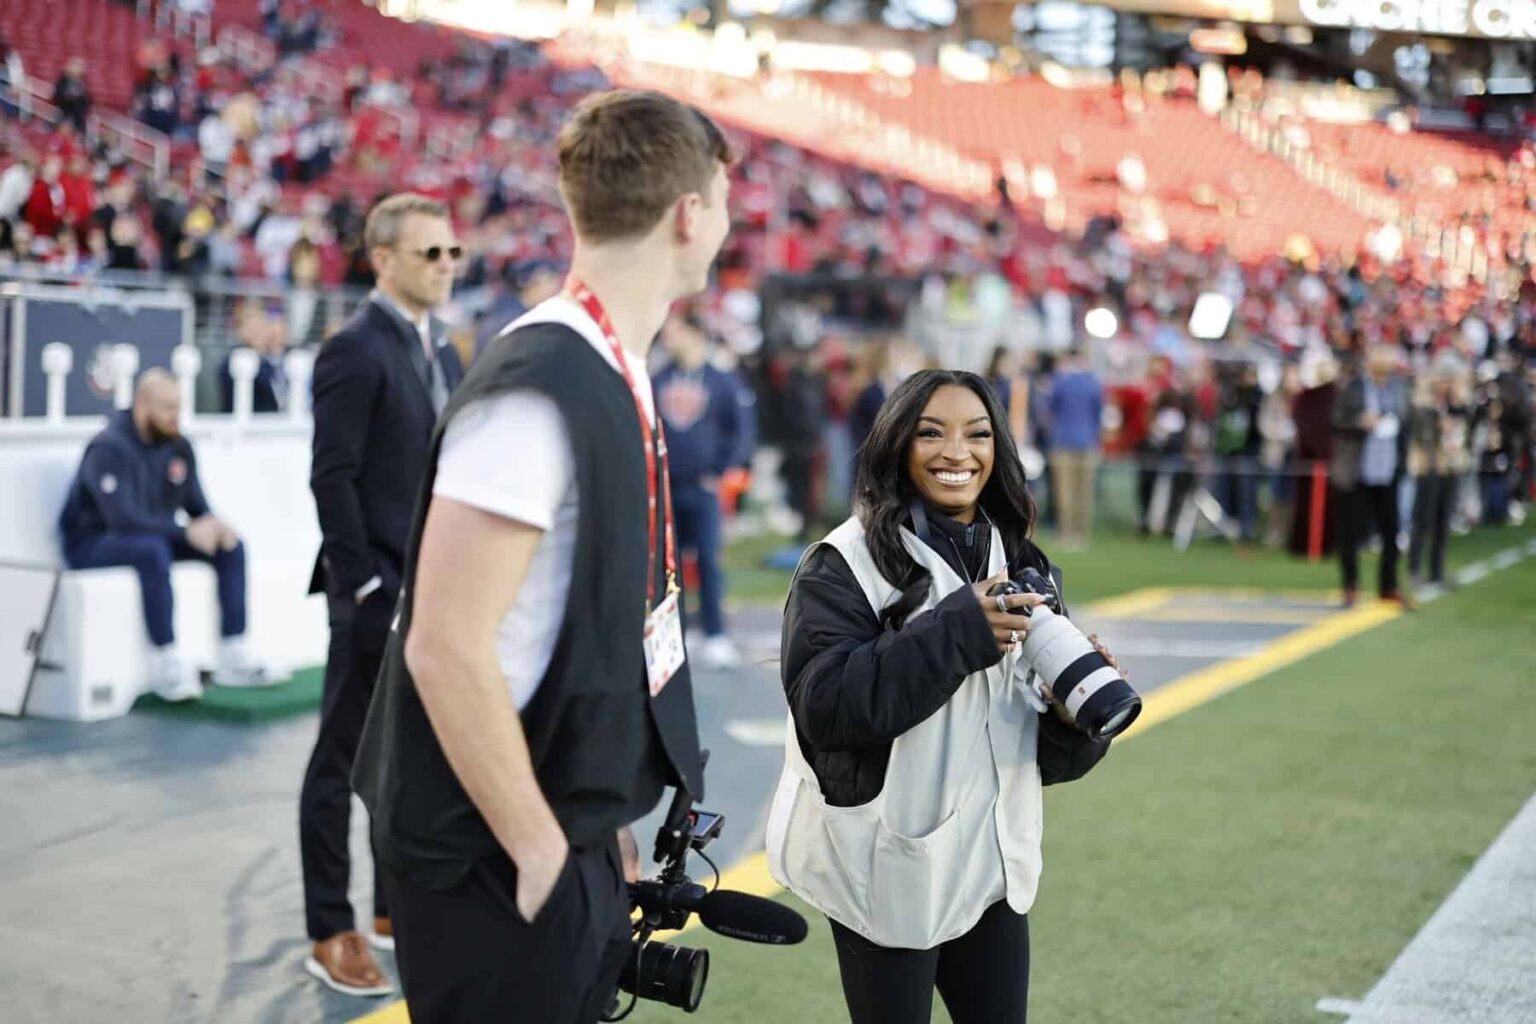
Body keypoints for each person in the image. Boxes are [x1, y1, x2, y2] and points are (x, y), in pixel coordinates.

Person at [352, 90, 728, 1022]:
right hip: (491, 850)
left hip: (555, 822)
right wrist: (540, 852)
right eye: (724, 203)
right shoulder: (538, 384)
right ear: (690, 213)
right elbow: (443, 644)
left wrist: (597, 824)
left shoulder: (606, 361)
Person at [767, 369, 1118, 1024]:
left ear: (999, 449)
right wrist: (955, 631)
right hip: (890, 864)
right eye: (932, 433)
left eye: (977, 434)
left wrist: (1072, 722)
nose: (957, 452)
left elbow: (1037, 756)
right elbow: (828, 709)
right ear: (897, 443)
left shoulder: (1021, 559)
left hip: (990, 864)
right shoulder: (844, 561)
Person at [300, 192, 466, 997]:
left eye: (451, 253)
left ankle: (393, 906)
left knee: (406, 760)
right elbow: (332, 477)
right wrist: (365, 583)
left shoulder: (445, 352)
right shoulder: (354, 349)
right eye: (429, 253)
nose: (444, 266)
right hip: (374, 594)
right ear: (384, 259)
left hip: (432, 593)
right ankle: (332, 927)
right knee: (342, 760)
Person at [58, 369, 270, 701]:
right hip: (93, 543)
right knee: (152, 551)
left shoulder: (178, 446)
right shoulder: (108, 447)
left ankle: (234, 653)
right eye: (168, 408)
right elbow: (122, 519)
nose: (176, 416)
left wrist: (216, 527)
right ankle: (165, 662)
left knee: (231, 546)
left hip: (151, 536)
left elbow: (197, 506)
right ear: (143, 405)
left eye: (179, 407)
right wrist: (186, 532)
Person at [654, 309, 755, 669]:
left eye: (675, 331)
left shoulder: (722, 380)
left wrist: (723, 468)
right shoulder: (660, 377)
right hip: (668, 484)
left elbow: (740, 429)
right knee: (669, 564)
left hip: (704, 485)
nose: (668, 338)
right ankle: (675, 632)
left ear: (695, 333)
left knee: (709, 559)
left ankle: (715, 632)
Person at [1331, 344, 1410, 607]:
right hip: (1357, 470)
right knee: (1351, 533)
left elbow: (1404, 421)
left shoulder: (1397, 388)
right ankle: (1350, 585)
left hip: (1388, 470)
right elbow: (1335, 420)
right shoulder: (1354, 388)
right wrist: (1359, 421)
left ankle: (1388, 585)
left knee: (1391, 531)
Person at [1406, 357, 1470, 589]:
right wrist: (1438, 424)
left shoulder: (1455, 403)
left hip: (1450, 465)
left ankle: (1437, 569)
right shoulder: (1424, 404)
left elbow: (1466, 424)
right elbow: (1420, 435)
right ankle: (1414, 569)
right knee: (1423, 519)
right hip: (1429, 465)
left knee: (1443, 519)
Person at [1046, 347, 1103, 548]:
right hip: (1088, 443)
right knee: (1085, 492)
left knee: (1065, 493)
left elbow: (1051, 410)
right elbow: (1099, 414)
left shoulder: (1061, 382)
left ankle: (1067, 533)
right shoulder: (1094, 383)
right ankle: (1081, 534)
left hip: (1062, 442)